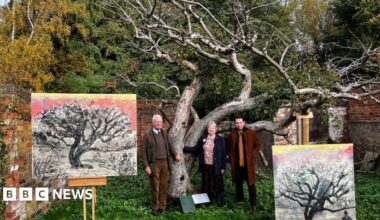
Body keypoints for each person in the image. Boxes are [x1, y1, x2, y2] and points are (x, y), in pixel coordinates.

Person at [141, 114, 181, 216]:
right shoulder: (147, 135)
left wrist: (175, 154)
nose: (159, 124)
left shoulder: (164, 132)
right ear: (153, 123)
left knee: (164, 186)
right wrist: (146, 166)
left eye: (160, 122)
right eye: (157, 122)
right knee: (155, 186)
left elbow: (169, 144)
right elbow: (143, 153)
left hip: (165, 163)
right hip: (154, 164)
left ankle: (162, 207)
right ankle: (155, 207)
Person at [184, 121, 227, 206]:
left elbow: (224, 154)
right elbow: (196, 149)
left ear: (216, 129)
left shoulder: (220, 139)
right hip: (206, 166)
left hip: (216, 166)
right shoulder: (203, 138)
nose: (211, 129)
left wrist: (223, 167)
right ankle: (208, 202)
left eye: (213, 128)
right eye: (209, 128)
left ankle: (219, 201)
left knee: (218, 184)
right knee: (206, 184)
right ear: (207, 129)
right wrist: (184, 148)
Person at [228, 116, 261, 212]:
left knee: (251, 185)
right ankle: (240, 204)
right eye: (236, 123)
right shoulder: (232, 135)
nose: (238, 125)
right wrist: (230, 158)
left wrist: (253, 155)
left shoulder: (251, 133)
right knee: (238, 185)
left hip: (248, 165)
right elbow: (229, 148)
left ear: (244, 122)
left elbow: (258, 145)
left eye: (240, 122)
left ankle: (254, 206)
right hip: (237, 165)